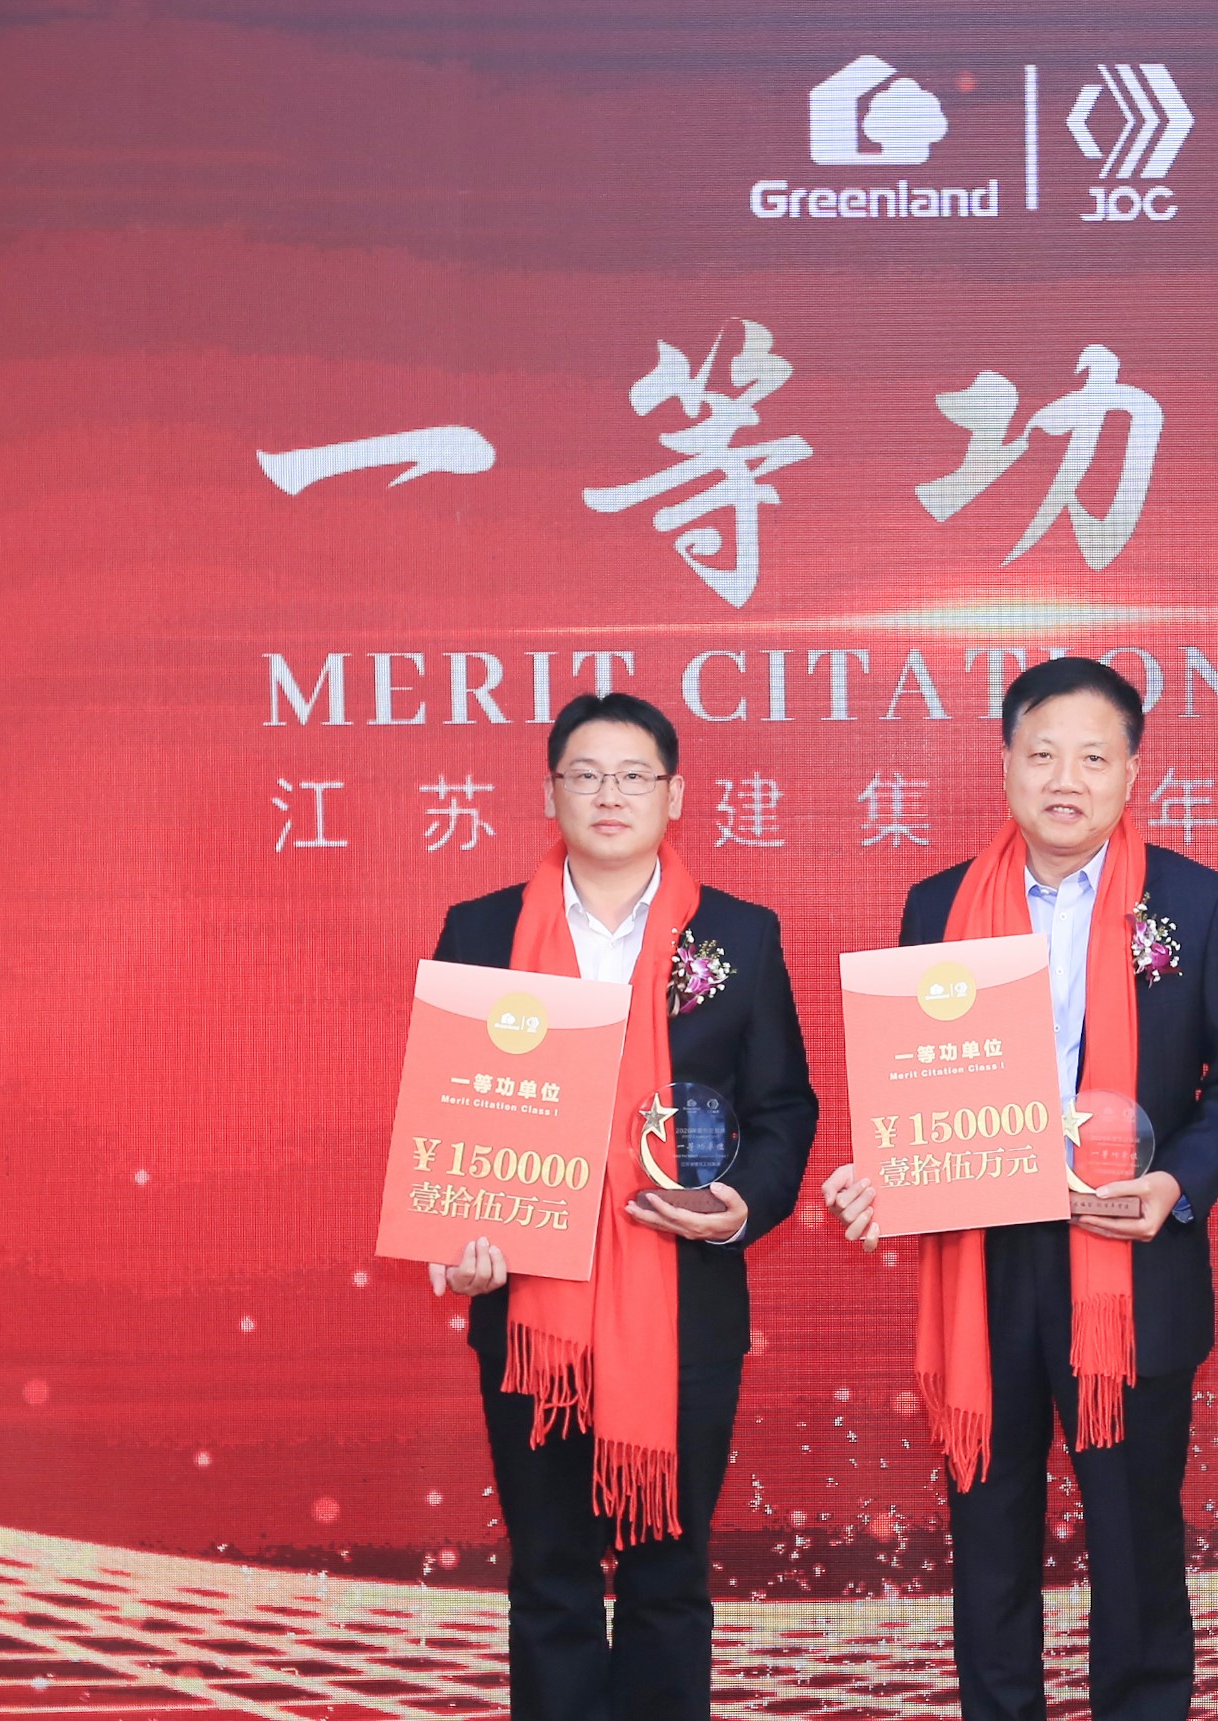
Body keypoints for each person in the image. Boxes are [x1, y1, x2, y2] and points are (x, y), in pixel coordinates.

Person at [822, 657, 1218, 1721]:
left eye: (1092, 757)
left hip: (1128, 1262)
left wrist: (1178, 1181)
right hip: (983, 1263)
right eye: (1041, 754)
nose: (1065, 778)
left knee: (1133, 1538)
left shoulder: (1196, 902)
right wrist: (886, 1168)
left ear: (1131, 772)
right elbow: (918, 1083)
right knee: (988, 1536)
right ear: (1006, 765)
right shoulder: (939, 904)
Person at [428, 691, 819, 1721]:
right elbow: (451, 1109)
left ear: (673, 795)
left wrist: (739, 1204)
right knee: (550, 1571)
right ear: (551, 791)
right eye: (587, 775)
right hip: (531, 1309)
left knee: (668, 1573)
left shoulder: (738, 933)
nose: (610, 794)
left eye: (634, 775)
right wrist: (454, 1234)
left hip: (684, 1301)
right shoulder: (481, 930)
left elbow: (783, 1107)